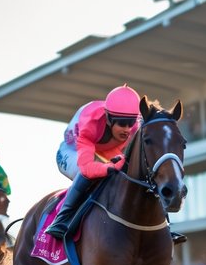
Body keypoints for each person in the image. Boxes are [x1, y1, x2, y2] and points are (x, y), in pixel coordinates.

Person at [45, 85, 143, 240]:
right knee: (86, 173)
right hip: (72, 151)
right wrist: (111, 167)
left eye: (131, 122)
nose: (127, 129)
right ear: (109, 119)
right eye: (122, 123)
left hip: (104, 151)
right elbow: (86, 168)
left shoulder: (134, 127)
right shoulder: (90, 123)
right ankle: (62, 219)